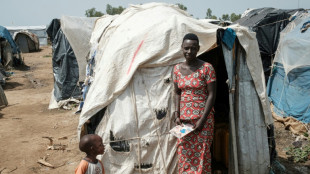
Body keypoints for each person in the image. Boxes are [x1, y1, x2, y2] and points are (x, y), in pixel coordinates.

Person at [173, 33, 216, 174]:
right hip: (184, 122)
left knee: (202, 153)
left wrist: (202, 121)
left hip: (203, 121)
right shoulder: (177, 69)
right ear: (182, 48)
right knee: (184, 153)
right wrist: (176, 115)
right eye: (186, 48)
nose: (189, 52)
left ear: (198, 48)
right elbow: (177, 92)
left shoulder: (207, 68)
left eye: (193, 48)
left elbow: (212, 94)